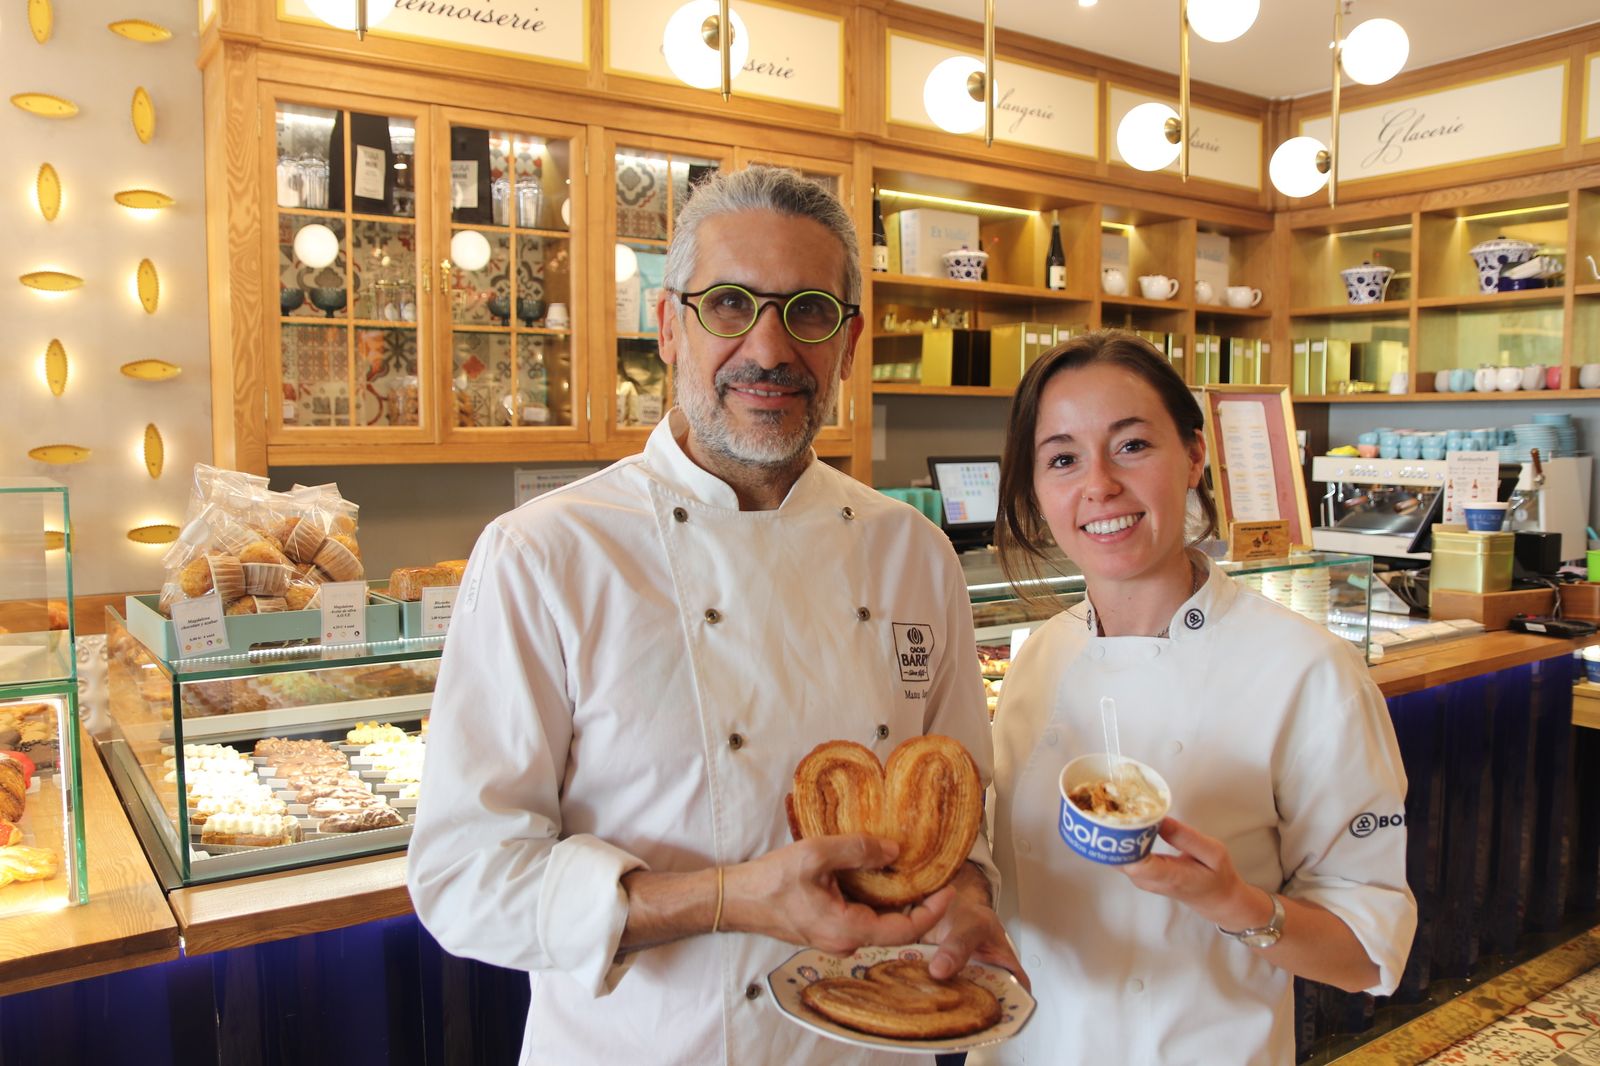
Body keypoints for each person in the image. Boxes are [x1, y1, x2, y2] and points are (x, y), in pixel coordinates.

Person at [408, 165, 1016, 1065]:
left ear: (848, 342)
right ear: (668, 326)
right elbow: (465, 878)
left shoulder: (912, 552)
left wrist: (968, 891)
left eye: (807, 311)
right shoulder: (547, 555)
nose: (769, 348)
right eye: (730, 304)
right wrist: (728, 898)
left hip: (873, 1046)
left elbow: (969, 811)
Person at [973, 331, 1415, 1065]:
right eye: (1062, 459)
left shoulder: (1307, 671)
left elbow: (1365, 955)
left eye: (1132, 446)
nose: (1099, 485)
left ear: (1195, 456)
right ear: (1036, 490)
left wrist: (1232, 904)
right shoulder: (1039, 659)